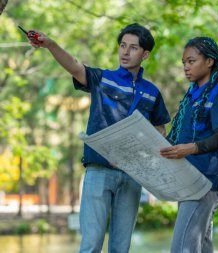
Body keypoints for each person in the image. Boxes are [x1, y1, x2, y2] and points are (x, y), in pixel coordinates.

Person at [28, 23, 171, 253]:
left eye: (133, 48)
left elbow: (160, 130)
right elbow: (74, 66)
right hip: (98, 171)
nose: (125, 52)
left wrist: (141, 148)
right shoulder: (102, 79)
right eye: (122, 46)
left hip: (132, 176)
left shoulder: (152, 92)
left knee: (120, 248)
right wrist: (49, 44)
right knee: (91, 245)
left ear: (145, 54)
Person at [160, 37, 218, 253]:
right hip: (189, 178)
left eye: (191, 61)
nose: (186, 67)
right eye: (184, 62)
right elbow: (179, 137)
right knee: (201, 246)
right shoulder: (191, 97)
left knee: (182, 248)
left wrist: (189, 148)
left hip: (206, 181)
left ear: (209, 62)